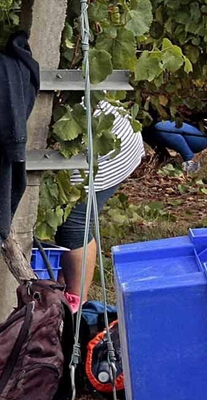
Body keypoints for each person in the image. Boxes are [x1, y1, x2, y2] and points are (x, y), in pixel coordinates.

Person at [53, 99, 145, 309]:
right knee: (65, 221)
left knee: (74, 223)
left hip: (107, 149)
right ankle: (62, 288)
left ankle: (77, 305)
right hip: (87, 142)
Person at [142, 119, 207, 173]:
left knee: (162, 127)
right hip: (191, 133)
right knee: (144, 130)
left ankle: (190, 160)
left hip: (200, 136)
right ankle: (164, 158)